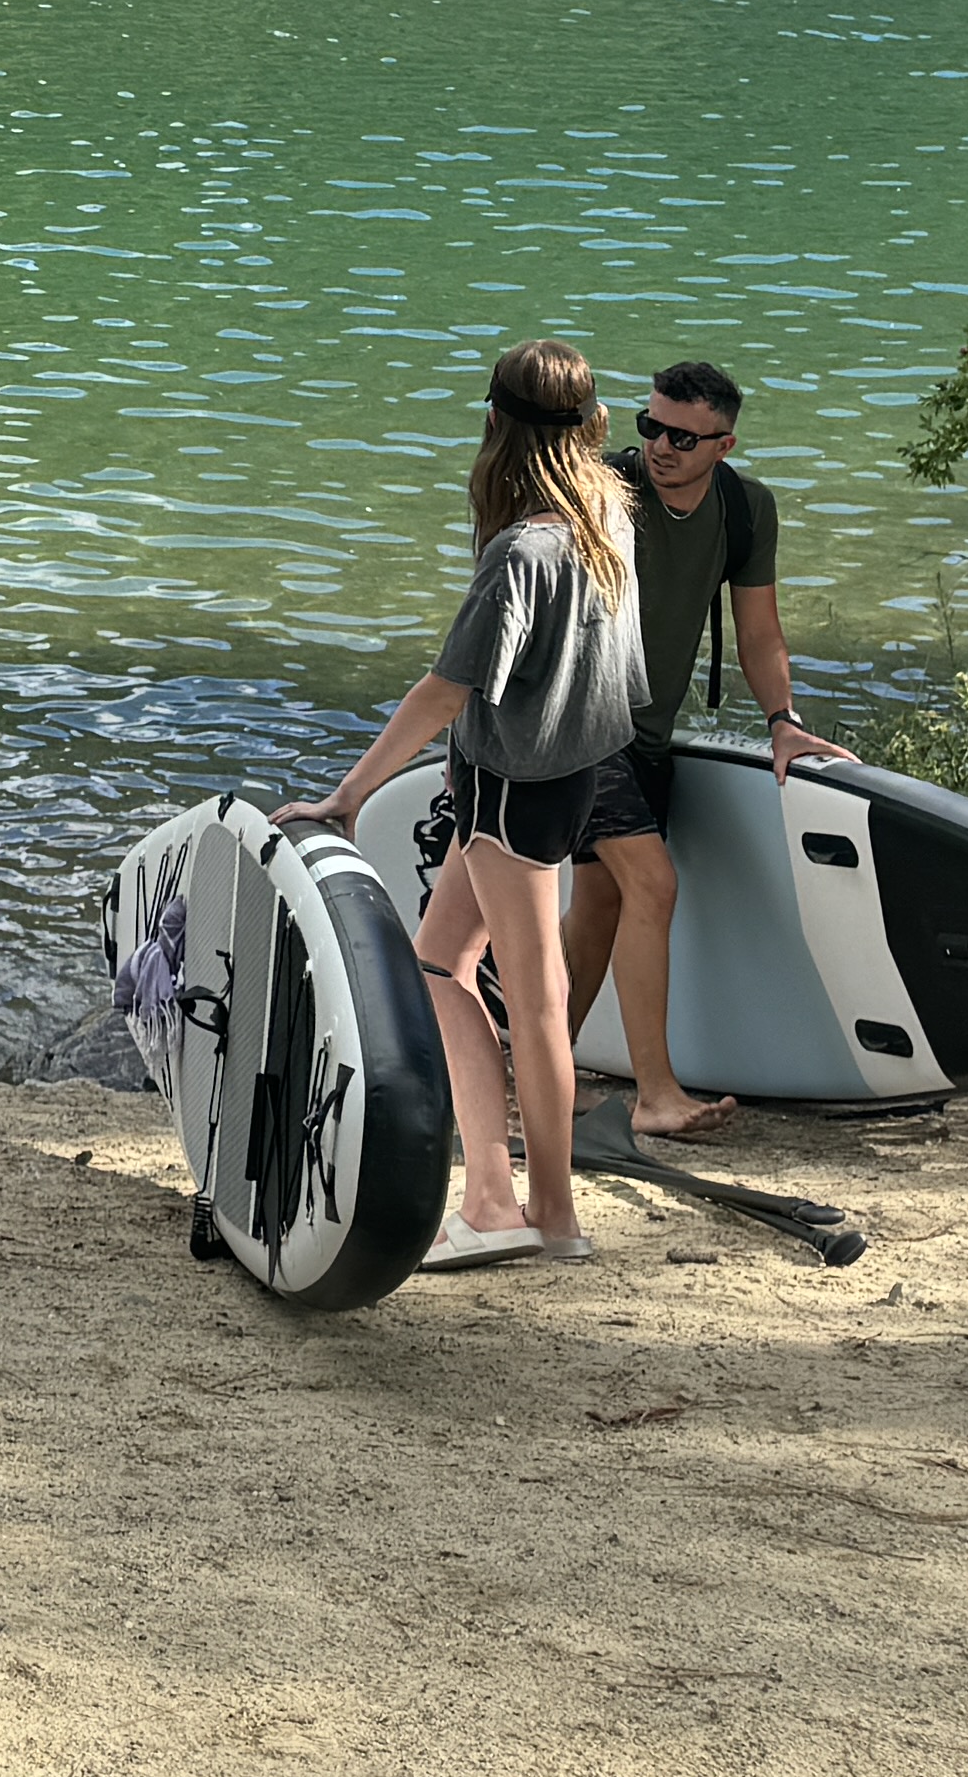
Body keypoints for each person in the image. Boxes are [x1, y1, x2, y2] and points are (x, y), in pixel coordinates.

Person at [292, 338, 639, 1271]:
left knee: (534, 1001)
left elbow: (445, 690)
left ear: (492, 424)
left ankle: (550, 1218)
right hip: (571, 782)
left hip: (506, 797)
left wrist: (349, 795)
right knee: (441, 965)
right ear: (594, 426)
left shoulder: (521, 550)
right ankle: (490, 1194)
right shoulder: (609, 514)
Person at [558, 358, 847, 1144]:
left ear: (724, 444)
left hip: (646, 737)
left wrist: (783, 718)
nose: (660, 446)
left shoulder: (747, 511)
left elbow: (759, 633)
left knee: (599, 908)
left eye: (683, 437)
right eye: (651, 426)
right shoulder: (604, 489)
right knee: (652, 884)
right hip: (583, 724)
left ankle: (537, 1078)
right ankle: (655, 1092)